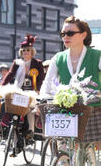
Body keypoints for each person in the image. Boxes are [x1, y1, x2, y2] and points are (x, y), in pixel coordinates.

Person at [41, 16, 101, 144]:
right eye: (63, 33)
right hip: (65, 109)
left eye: (70, 33)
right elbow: (47, 83)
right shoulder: (58, 58)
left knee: (97, 145)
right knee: (63, 149)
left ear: (83, 35)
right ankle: (63, 163)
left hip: (92, 109)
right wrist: (42, 98)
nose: (65, 37)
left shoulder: (97, 55)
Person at [1, 34, 45, 141]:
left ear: (32, 51)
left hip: (32, 91)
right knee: (11, 107)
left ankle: (30, 131)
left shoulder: (37, 63)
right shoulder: (17, 62)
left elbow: (40, 78)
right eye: (24, 50)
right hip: (19, 90)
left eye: (28, 50)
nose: (25, 52)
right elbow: (10, 74)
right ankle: (13, 133)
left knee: (30, 109)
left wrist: (38, 89)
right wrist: (2, 85)